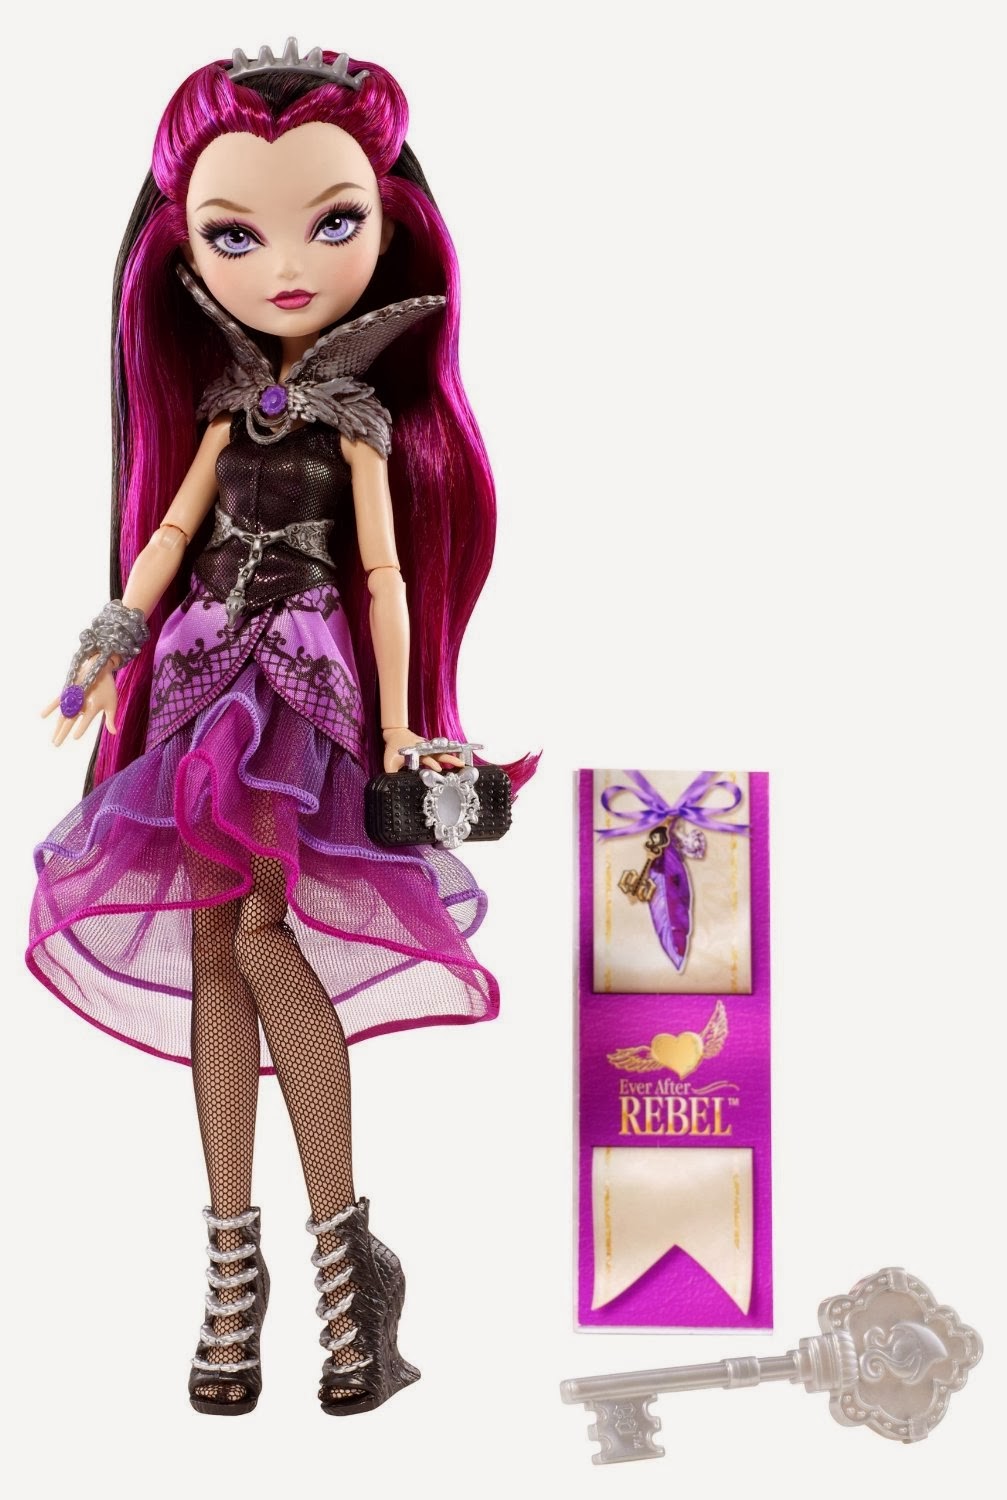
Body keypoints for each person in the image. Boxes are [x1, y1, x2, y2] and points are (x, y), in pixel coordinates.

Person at [25, 39, 532, 1417]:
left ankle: (338, 1256)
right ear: (184, 246)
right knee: (214, 948)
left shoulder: (358, 419)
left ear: (388, 222)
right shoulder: (213, 408)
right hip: (198, 678)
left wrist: (406, 725)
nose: (288, 264)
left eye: (332, 222)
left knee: (254, 932)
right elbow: (165, 534)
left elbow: (386, 574)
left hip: (300, 685)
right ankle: (234, 1277)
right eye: (236, 234)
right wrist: (105, 651)